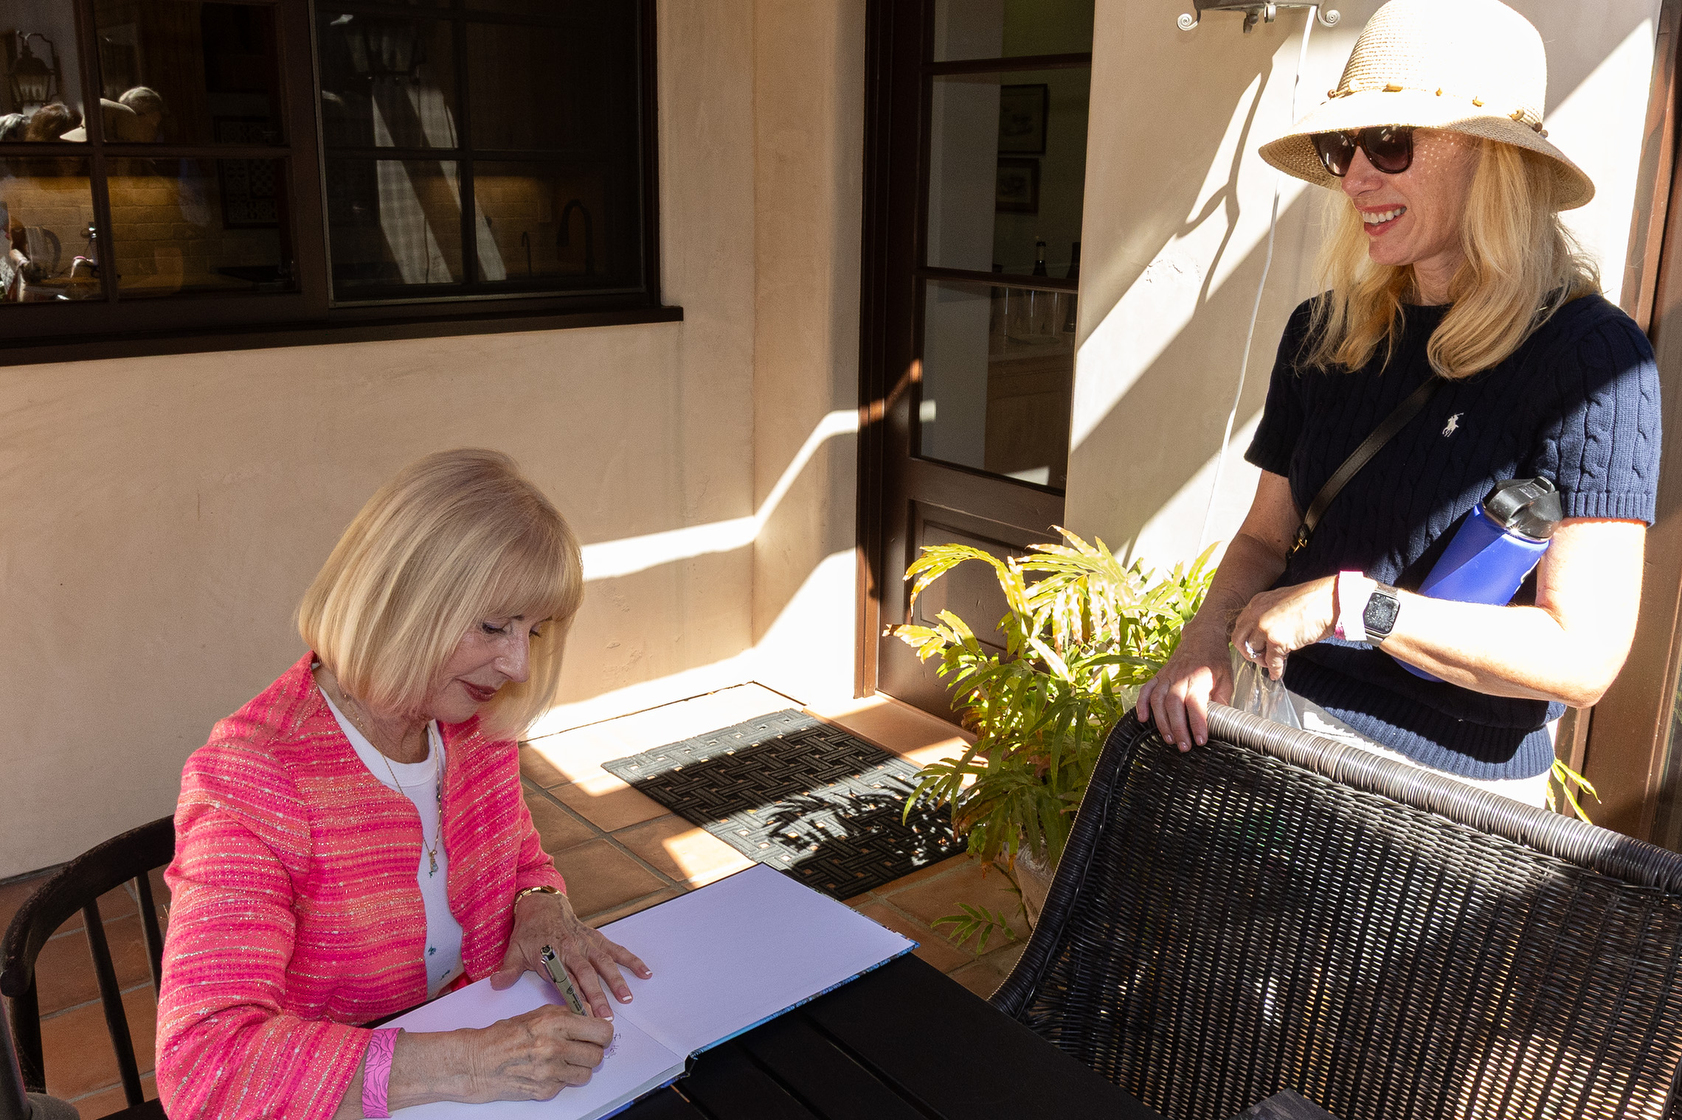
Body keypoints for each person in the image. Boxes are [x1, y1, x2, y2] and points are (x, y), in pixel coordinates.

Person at [1135, 0, 1661, 806]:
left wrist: (1355, 605)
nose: (1354, 177)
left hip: (1443, 797)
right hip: (1280, 726)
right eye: (1343, 146)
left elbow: (1580, 658)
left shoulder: (1593, 360)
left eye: (1388, 142)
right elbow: (1264, 539)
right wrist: (1202, 643)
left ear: (1494, 157)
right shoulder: (1325, 331)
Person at [157, 449, 651, 1119]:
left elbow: (518, 857)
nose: (518, 665)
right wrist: (469, 1062)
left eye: (534, 632)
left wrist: (540, 901)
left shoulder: (471, 725)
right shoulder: (254, 779)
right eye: (493, 626)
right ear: (402, 600)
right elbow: (204, 1066)